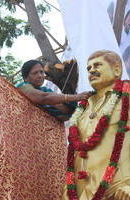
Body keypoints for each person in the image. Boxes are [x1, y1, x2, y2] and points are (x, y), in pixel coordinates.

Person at [62, 50, 130, 200]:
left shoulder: (127, 97)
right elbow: (76, 149)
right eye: (89, 68)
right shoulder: (83, 107)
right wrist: (68, 186)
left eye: (98, 65)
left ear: (117, 69)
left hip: (118, 190)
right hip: (79, 191)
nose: (92, 70)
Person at [16, 60, 91, 121]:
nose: (40, 75)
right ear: (25, 78)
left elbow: (67, 111)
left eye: (41, 72)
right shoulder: (23, 87)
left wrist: (66, 92)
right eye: (35, 73)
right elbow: (44, 98)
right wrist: (77, 97)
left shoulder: (45, 90)